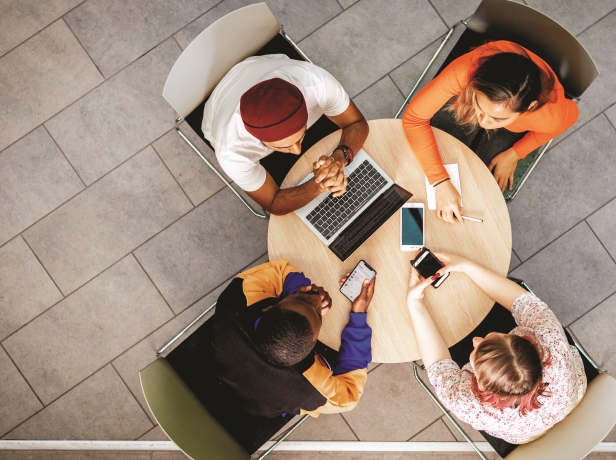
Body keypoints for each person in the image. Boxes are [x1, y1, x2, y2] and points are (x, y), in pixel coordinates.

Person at [405, 251, 586, 444]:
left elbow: (439, 366)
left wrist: (413, 302)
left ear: (480, 386)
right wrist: (465, 265)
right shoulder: (551, 342)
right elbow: (523, 302)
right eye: (490, 338)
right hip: (566, 400)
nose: (475, 340)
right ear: (528, 342)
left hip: (528, 431)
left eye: (474, 355)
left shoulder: (469, 403)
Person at [402, 41, 578, 223]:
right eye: (480, 108)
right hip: (475, 92)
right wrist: (439, 181)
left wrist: (515, 154)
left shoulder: (550, 115)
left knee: (478, 190)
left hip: (516, 126)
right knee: (417, 163)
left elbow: (568, 119)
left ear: (529, 107)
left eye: (497, 118)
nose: (484, 122)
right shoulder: (465, 72)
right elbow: (414, 119)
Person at [202, 54, 369, 215]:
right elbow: (273, 202)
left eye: (301, 135)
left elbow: (357, 123)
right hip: (218, 106)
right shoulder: (231, 152)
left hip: (255, 66)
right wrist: (321, 183)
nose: (297, 151)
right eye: (284, 146)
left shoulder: (318, 84)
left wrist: (339, 159)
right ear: (258, 140)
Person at [213, 260, 376, 418]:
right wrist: (359, 314)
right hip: (264, 405)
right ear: (313, 352)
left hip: (230, 371)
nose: (317, 298)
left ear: (268, 308)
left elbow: (280, 271)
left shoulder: (235, 300)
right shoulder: (310, 390)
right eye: (319, 314)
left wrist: (300, 291)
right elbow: (350, 395)